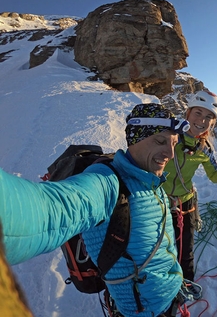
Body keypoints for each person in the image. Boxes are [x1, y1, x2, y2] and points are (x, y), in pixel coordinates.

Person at [0, 102, 189, 317]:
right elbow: (51, 209)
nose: (170, 154)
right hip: (143, 311)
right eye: (160, 141)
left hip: (171, 296)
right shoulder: (106, 182)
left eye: (174, 143)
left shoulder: (150, 179)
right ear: (136, 139)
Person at [163, 91, 217, 281]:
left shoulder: (204, 148)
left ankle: (186, 284)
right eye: (198, 113)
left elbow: (214, 176)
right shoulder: (169, 136)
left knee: (185, 249)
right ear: (187, 113)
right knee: (158, 247)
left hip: (184, 204)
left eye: (209, 117)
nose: (202, 120)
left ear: (213, 123)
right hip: (157, 202)